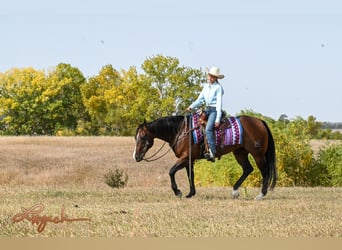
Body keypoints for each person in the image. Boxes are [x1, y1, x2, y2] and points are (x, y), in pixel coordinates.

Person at [186, 66, 225, 162]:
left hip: (214, 111)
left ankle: (212, 151)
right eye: (210, 76)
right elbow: (200, 99)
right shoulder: (206, 87)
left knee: (208, 129)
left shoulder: (218, 88)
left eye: (213, 77)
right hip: (206, 109)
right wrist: (191, 106)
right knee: (197, 125)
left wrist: (217, 119)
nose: (211, 78)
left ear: (216, 78)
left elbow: (219, 103)